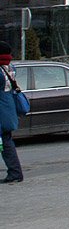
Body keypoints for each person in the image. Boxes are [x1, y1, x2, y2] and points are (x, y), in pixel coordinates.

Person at [0, 40, 23, 183]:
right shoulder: (10, 68)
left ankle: (15, 173)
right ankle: (15, 173)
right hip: (8, 111)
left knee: (6, 144)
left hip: (1, 112)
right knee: (6, 143)